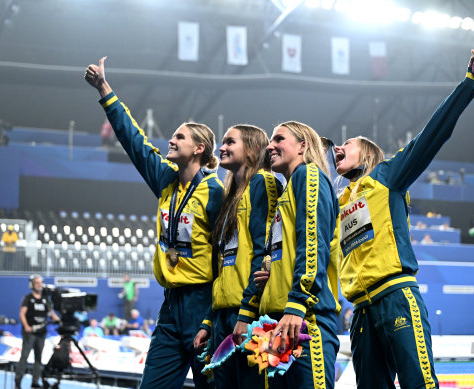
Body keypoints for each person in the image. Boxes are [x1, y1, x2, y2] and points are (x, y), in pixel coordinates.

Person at [332, 49, 474, 388]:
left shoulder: (386, 177)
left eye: (346, 144)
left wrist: (471, 82)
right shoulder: (337, 204)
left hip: (395, 298)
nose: (337, 149)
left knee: (418, 384)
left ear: (366, 153)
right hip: (361, 313)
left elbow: (433, 133)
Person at [85, 57, 223, 389]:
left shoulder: (216, 193)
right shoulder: (165, 179)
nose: (171, 141)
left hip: (203, 303)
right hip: (171, 305)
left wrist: (212, 316)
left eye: (180, 137)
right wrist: (105, 90)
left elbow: (225, 257)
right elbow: (134, 141)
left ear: (199, 149)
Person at [193, 124, 282, 388]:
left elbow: (264, 251)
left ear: (253, 149)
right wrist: (209, 321)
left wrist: (246, 312)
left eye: (230, 142)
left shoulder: (263, 183)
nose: (221, 148)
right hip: (224, 315)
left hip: (249, 316)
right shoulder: (230, 197)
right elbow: (223, 270)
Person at [256, 121, 340, 388]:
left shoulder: (308, 175)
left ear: (303, 145)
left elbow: (312, 243)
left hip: (304, 318)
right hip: (279, 322)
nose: (270, 146)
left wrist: (297, 303)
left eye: (279, 139)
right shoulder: (288, 191)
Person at [15, 275, 60, 389]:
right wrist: (26, 326)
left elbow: (51, 313)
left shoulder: (46, 299)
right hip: (30, 332)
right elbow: (22, 314)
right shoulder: (28, 298)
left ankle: (35, 382)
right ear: (32, 285)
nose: (39, 285)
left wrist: (59, 320)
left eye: (41, 283)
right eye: (37, 283)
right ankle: (18, 381)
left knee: (38, 358)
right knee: (24, 357)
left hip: (41, 332)